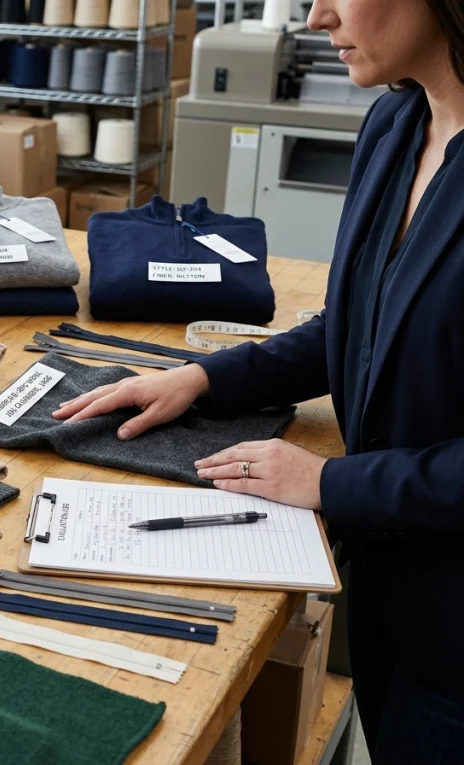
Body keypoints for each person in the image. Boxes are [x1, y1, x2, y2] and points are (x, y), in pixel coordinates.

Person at [55, 0, 464, 760]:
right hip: (388, 595)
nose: (317, 16)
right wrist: (205, 379)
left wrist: (331, 484)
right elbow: (359, 323)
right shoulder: (397, 125)